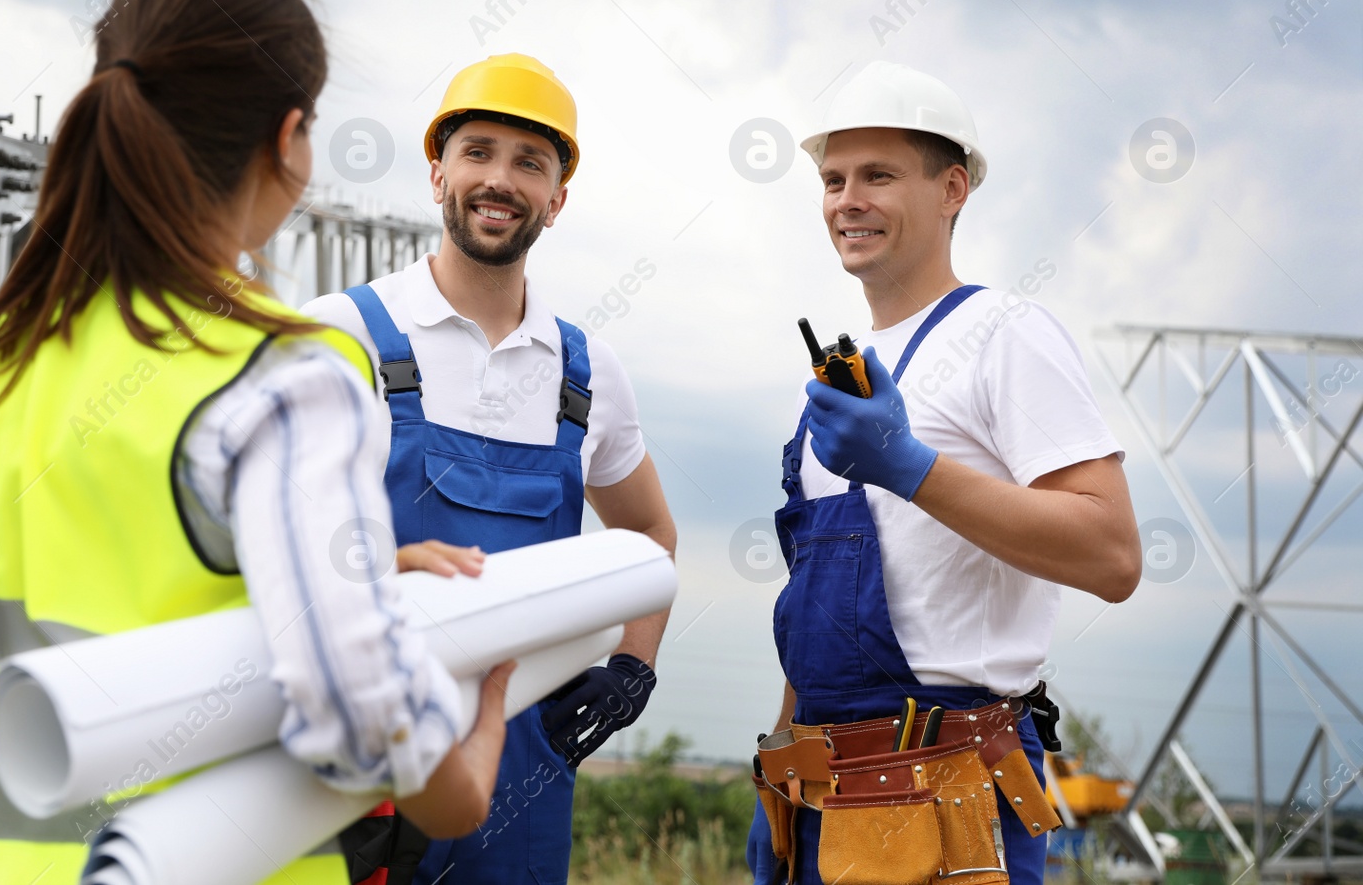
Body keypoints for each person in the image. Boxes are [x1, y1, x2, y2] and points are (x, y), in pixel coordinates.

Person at [0, 0, 512, 885]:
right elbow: (358, 713)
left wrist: (362, 566)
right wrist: (466, 771)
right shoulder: (286, 373)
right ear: (288, 139)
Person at [747, 61, 1142, 885]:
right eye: (833, 179)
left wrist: (910, 467)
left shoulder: (1006, 332)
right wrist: (780, 754)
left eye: (879, 175)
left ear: (953, 188)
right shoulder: (830, 377)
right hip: (823, 794)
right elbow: (821, 591)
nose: (847, 199)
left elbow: (1112, 554)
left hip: (952, 797)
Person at [302, 53, 678, 885]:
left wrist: (633, 668)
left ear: (558, 197)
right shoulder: (341, 334)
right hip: (365, 778)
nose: (499, 180)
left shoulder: (588, 374)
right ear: (437, 168)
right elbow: (268, 546)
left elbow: (650, 532)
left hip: (525, 772)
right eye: (477, 152)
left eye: (529, 163)